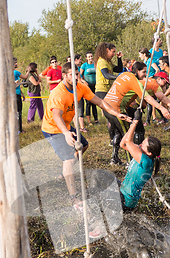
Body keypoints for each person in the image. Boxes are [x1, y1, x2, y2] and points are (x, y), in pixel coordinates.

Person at [42, 62, 131, 210]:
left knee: (84, 146)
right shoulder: (58, 93)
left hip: (67, 126)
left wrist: (116, 113)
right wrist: (65, 133)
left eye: (77, 74)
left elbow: (101, 102)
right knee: (69, 160)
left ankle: (66, 172)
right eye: (72, 75)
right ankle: (74, 199)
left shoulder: (80, 87)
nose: (76, 77)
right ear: (64, 76)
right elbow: (56, 116)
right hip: (53, 128)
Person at [103, 61, 170, 165]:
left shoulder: (124, 74)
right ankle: (133, 163)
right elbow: (148, 98)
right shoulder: (136, 81)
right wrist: (162, 108)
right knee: (128, 137)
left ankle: (115, 159)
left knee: (119, 133)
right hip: (116, 109)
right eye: (143, 72)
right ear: (137, 71)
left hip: (107, 106)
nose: (145, 75)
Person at [119, 108, 162, 209]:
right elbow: (123, 144)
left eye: (143, 144)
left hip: (126, 200)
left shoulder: (145, 161)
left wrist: (135, 121)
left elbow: (128, 142)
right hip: (122, 191)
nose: (140, 144)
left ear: (149, 152)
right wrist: (131, 127)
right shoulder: (143, 154)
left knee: (100, 194)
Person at [80, 52, 99, 125]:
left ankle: (96, 120)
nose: (90, 58)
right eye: (89, 57)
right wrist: (84, 81)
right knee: (88, 103)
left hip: (95, 85)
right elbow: (80, 76)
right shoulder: (84, 65)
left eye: (91, 56)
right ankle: (89, 121)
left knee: (95, 103)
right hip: (87, 86)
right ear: (86, 58)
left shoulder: (95, 64)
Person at [13, 57, 26, 133]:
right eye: (15, 62)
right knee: (19, 113)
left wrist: (22, 93)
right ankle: (19, 130)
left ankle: (17, 129)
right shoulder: (15, 72)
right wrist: (28, 71)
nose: (16, 64)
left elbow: (17, 85)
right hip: (15, 96)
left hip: (17, 94)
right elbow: (25, 77)